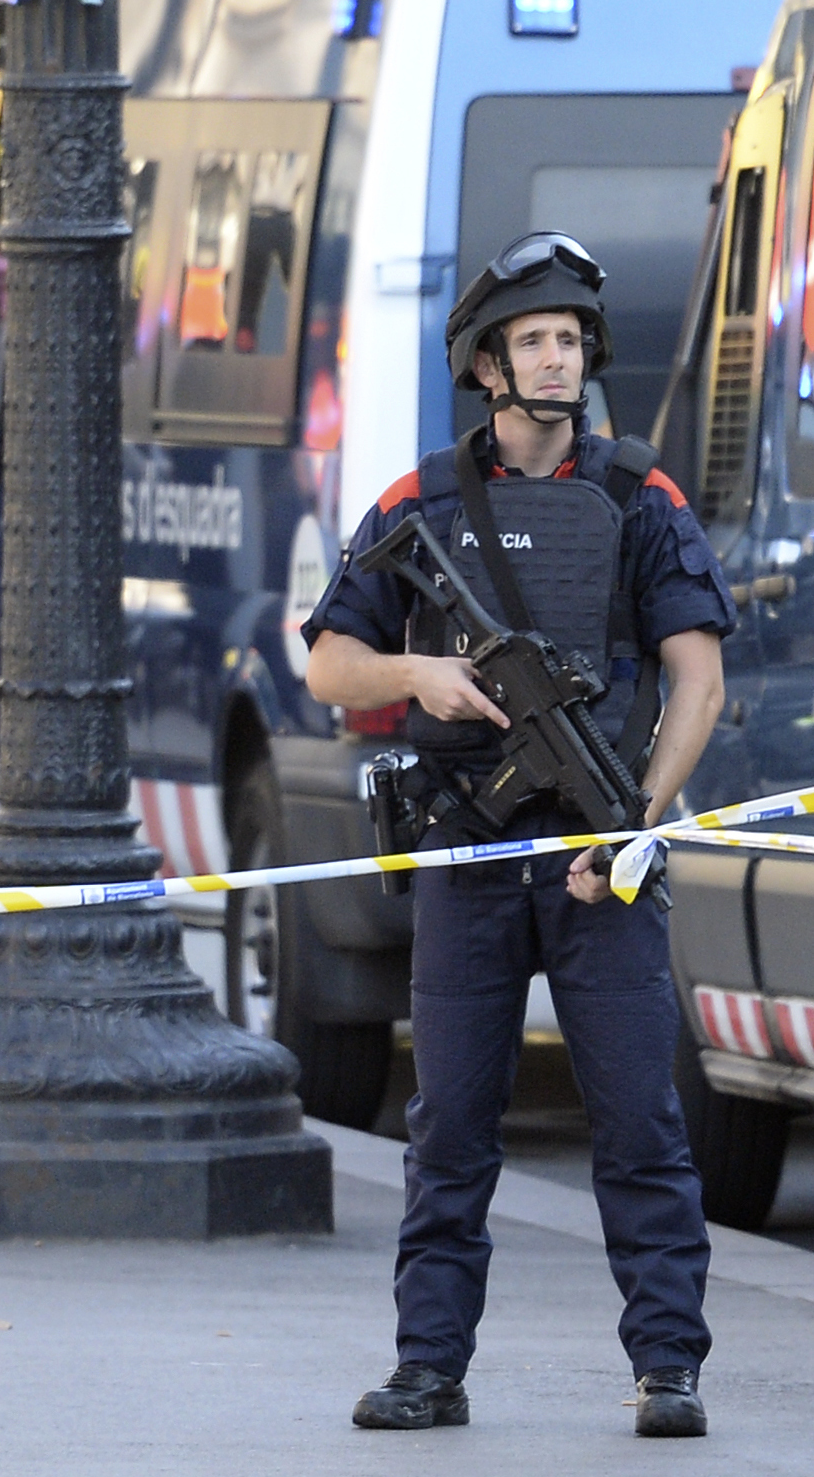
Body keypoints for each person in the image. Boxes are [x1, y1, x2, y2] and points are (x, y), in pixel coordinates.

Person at [301, 233, 732, 1438]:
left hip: (605, 858)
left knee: (641, 1118)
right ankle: (428, 1368)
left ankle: (667, 1367)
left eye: (569, 340)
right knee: (448, 1125)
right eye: (532, 340)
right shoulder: (420, 500)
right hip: (468, 851)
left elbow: (696, 681)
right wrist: (419, 674)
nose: (557, 359)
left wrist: (637, 825)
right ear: (488, 365)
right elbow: (329, 662)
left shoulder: (638, 492)